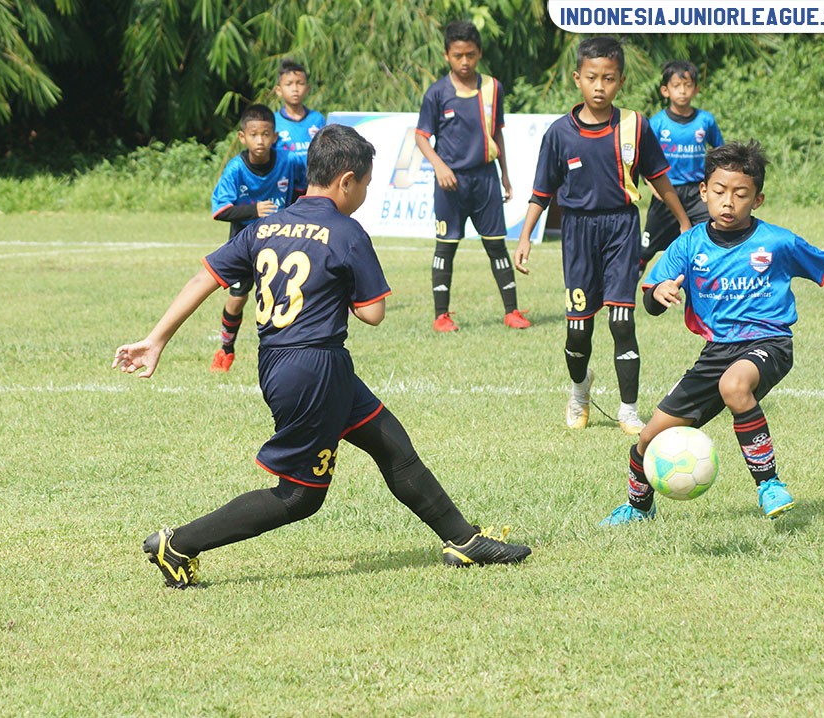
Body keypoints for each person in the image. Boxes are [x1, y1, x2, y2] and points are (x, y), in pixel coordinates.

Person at [113, 125, 532, 588]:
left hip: (286, 365)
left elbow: (204, 278)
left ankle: (463, 540)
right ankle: (179, 543)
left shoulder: (265, 227)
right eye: (365, 185)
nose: (364, 195)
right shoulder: (346, 231)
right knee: (300, 497)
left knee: (391, 443)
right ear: (347, 180)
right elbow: (373, 313)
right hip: (316, 368)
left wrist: (155, 340)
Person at [599, 140, 824, 526]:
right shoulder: (688, 245)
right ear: (704, 192)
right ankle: (638, 508)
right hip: (717, 353)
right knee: (648, 439)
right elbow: (651, 299)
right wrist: (658, 293)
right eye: (719, 191)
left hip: (769, 343)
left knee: (734, 386)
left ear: (757, 200)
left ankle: (769, 484)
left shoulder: (778, 242)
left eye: (740, 194)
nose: (728, 202)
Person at [514, 36, 691, 435]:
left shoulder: (634, 126)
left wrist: (682, 221)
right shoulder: (560, 133)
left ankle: (629, 410)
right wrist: (524, 238)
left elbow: (659, 179)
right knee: (578, 329)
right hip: (577, 233)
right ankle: (580, 391)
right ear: (577, 78)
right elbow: (541, 192)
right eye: (592, 77)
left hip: (622, 228)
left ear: (621, 81)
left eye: (608, 79)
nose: (599, 87)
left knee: (622, 322)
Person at [415, 20, 530, 333]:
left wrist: (505, 175)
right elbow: (421, 136)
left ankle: (512, 312)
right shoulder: (437, 93)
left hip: (486, 179)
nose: (464, 61)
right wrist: (439, 166)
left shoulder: (493, 88)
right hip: (451, 184)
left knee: (496, 245)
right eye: (457, 56)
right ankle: (441, 316)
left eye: (470, 55)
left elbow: (497, 134)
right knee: (446, 247)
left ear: (479, 53)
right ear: (446, 56)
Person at [209, 103, 307, 372]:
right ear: (243, 137)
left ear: (274, 137)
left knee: (283, 298)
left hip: (280, 241)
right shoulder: (235, 169)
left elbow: (302, 191)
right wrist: (254, 210)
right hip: (244, 242)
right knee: (237, 299)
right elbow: (219, 210)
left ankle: (286, 353)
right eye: (254, 135)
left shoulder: (288, 162)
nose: (260, 141)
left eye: (265, 134)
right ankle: (226, 349)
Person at [641, 60, 724, 271]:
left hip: (697, 193)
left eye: (688, 85)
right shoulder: (657, 123)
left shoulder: (705, 120)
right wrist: (655, 189)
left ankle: (710, 281)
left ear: (696, 89)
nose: (683, 91)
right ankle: (628, 285)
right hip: (666, 192)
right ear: (665, 90)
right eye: (676, 86)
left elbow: (721, 154)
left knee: (713, 238)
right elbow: (645, 162)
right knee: (644, 250)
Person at [273, 59, 326, 171]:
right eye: (289, 84)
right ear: (278, 90)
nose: (295, 89)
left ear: (307, 89)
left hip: (314, 179)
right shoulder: (274, 121)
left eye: (300, 83)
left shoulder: (317, 119)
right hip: (285, 179)